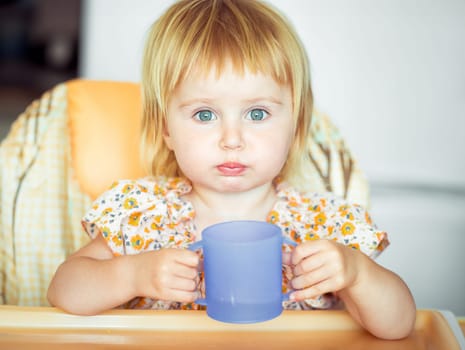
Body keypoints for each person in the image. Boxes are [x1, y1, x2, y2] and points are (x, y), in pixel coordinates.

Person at [47, 0, 415, 339]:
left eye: (258, 114)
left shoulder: (325, 224)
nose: (232, 139)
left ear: (296, 128)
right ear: (166, 129)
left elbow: (399, 327)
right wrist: (130, 274)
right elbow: (63, 290)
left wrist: (356, 273)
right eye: (204, 114)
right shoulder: (142, 213)